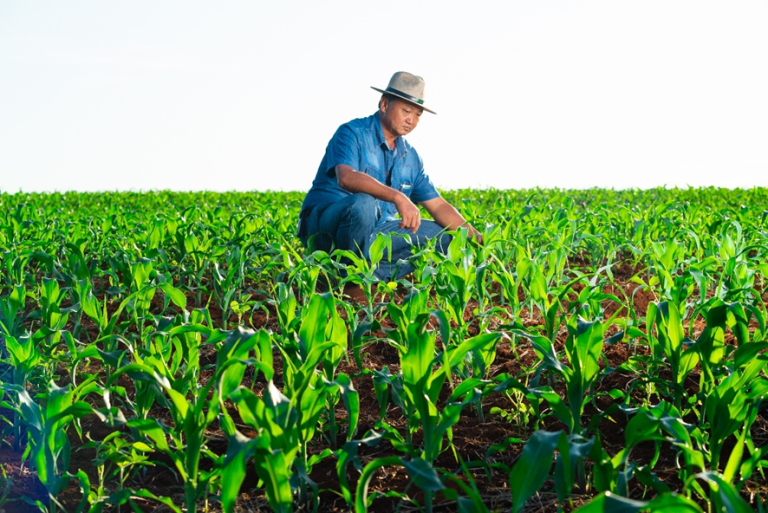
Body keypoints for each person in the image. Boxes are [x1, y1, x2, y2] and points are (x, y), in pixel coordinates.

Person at [298, 71, 482, 289]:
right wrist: (398, 196)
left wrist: (475, 237)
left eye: (417, 114)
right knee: (363, 203)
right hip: (327, 229)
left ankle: (364, 276)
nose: (411, 120)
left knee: (446, 236)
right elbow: (346, 178)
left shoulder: (411, 158)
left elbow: (438, 205)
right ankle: (351, 283)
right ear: (384, 104)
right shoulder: (352, 133)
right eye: (406, 111)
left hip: (375, 234)